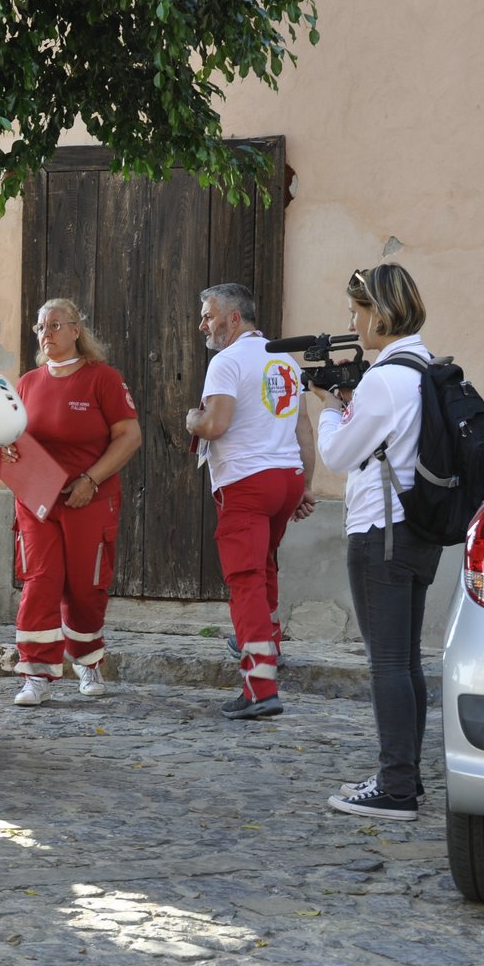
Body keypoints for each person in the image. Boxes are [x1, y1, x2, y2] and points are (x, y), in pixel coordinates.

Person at [308, 264, 442, 821]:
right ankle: (401, 776)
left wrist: (333, 409)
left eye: (357, 312)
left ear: (380, 314)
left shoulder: (386, 379)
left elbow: (339, 457)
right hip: (416, 528)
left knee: (386, 662)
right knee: (405, 660)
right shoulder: (423, 364)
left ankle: (395, 788)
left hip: (380, 531)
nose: (353, 323)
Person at [184, 283, 316, 721]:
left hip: (246, 482)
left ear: (234, 318)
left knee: (245, 582)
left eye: (208, 315)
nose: (203, 324)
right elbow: (303, 431)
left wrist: (193, 420)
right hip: (286, 478)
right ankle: (268, 644)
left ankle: (259, 686)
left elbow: (216, 425)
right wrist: (306, 486)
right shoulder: (284, 359)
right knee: (264, 568)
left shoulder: (226, 361)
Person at [4, 299, 141, 706]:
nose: (46, 334)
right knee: (40, 581)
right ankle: (36, 673)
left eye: (55, 325)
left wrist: (90, 480)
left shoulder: (103, 379)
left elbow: (129, 437)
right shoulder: (27, 383)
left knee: (85, 586)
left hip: (90, 498)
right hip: (36, 501)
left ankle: (87, 659)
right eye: (40, 327)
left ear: (77, 330)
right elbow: (10, 436)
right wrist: (8, 451)